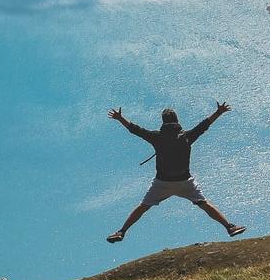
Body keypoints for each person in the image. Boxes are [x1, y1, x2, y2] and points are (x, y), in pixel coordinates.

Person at [105, 102, 246, 243]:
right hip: (184, 181)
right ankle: (229, 227)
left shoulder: (157, 137)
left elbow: (135, 130)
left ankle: (121, 232)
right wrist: (219, 112)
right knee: (204, 204)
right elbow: (204, 126)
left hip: (162, 182)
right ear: (177, 121)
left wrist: (120, 118)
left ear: (163, 122)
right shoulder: (186, 136)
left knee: (143, 207)